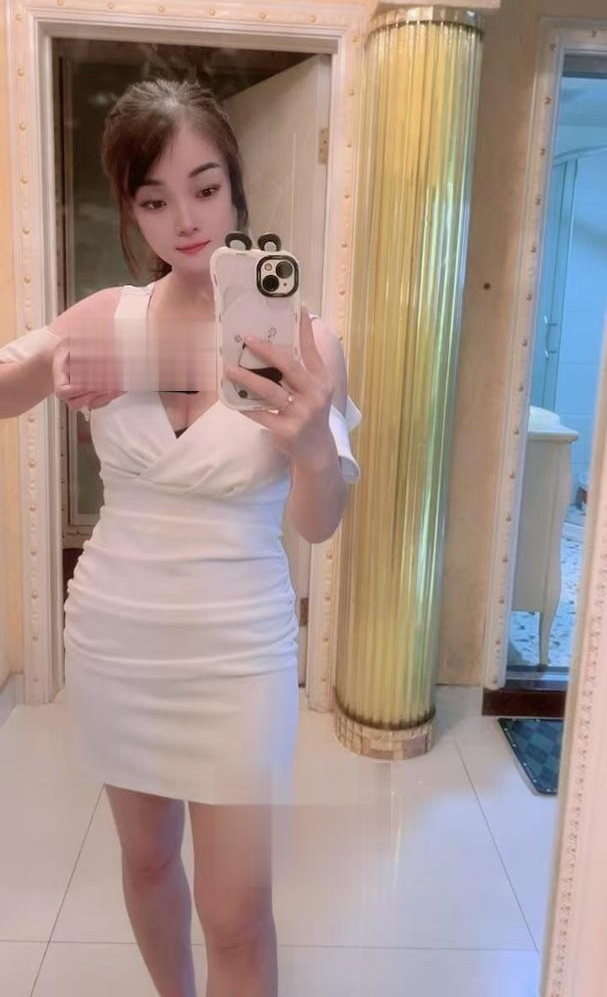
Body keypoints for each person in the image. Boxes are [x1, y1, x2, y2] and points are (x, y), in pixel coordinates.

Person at [0, 78, 362, 997]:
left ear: (236, 188)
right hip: (116, 637)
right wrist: (52, 361)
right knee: (149, 859)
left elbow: (317, 522)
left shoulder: (304, 342)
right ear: (132, 210)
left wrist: (313, 447)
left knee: (236, 913)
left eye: (204, 188)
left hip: (237, 650)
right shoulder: (105, 321)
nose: (185, 220)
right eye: (154, 199)